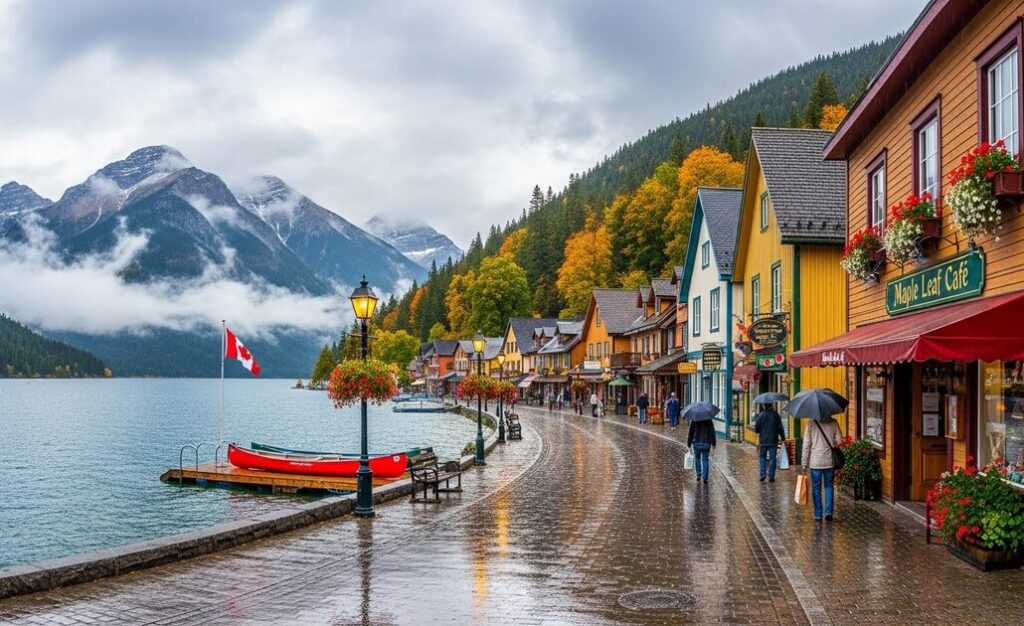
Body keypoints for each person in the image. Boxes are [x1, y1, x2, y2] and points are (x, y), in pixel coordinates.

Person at [801, 415, 843, 521]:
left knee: (816, 488)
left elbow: (806, 445)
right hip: (829, 462)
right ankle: (828, 512)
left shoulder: (810, 423)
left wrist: (804, 463)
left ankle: (818, 514)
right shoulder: (834, 422)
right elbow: (839, 441)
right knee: (829, 486)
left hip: (815, 462)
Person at [754, 404, 785, 482]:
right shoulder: (775, 415)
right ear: (771, 406)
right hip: (773, 440)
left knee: (762, 457)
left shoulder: (760, 415)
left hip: (763, 440)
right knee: (772, 458)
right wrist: (783, 437)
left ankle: (763, 473)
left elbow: (756, 429)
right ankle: (771, 476)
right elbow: (780, 428)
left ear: (764, 406)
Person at [686, 417, 716, 483]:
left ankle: (699, 475)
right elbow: (712, 432)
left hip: (696, 443)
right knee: (705, 459)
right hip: (706, 443)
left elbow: (691, 432)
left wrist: (689, 444)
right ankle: (705, 478)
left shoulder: (694, 419)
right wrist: (714, 443)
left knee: (697, 458)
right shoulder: (709, 420)